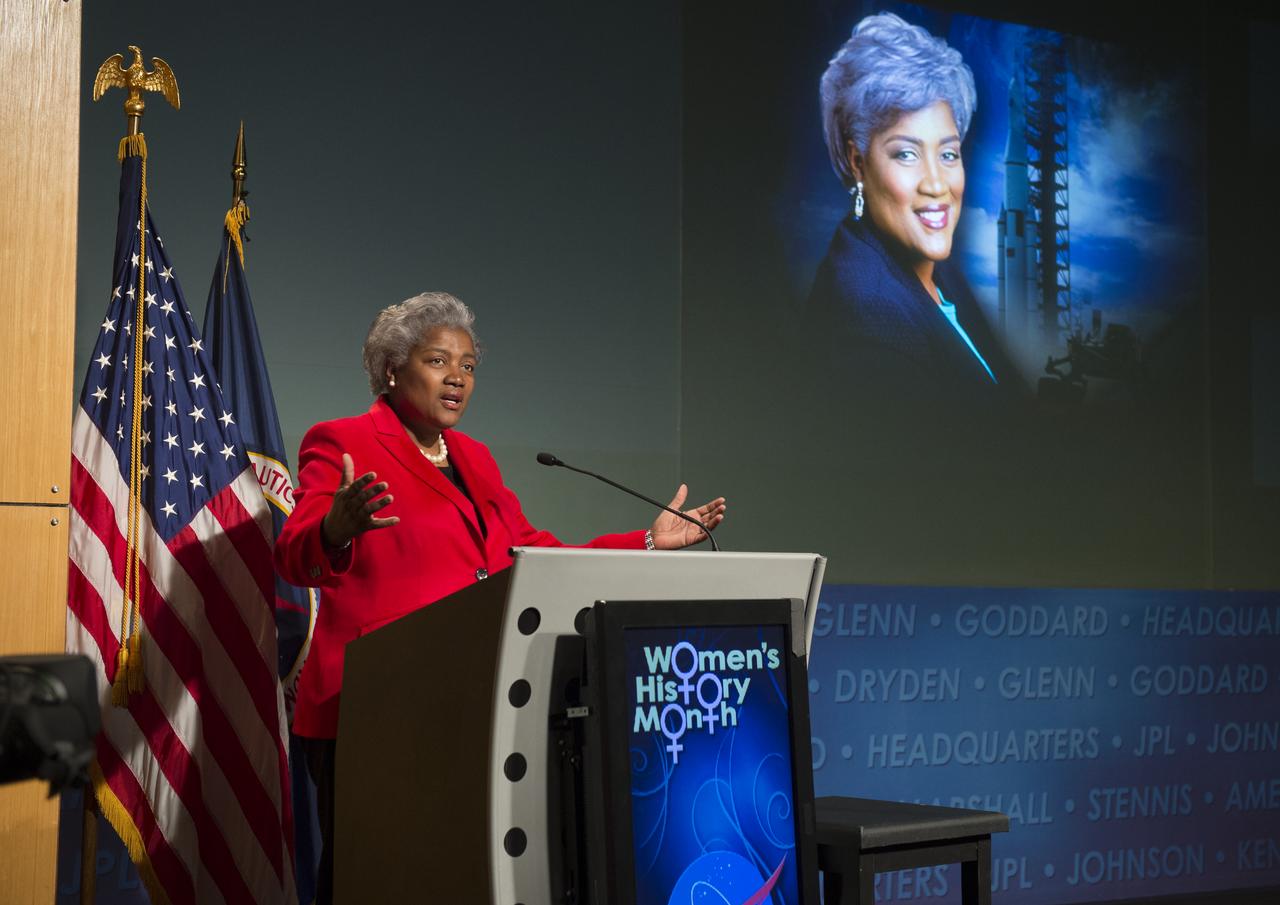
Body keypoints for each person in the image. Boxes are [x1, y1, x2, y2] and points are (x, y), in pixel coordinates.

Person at [274, 291, 725, 904]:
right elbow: (294, 551)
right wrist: (336, 526)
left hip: (462, 702)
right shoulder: (343, 441)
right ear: (391, 369)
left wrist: (647, 540)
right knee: (369, 883)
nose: (458, 378)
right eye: (438, 361)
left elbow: (532, 552)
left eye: (468, 366)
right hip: (369, 710)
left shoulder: (476, 459)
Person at [808, 12, 1011, 395]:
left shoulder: (936, 273)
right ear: (858, 163)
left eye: (948, 154)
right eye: (906, 154)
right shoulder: (865, 327)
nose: (937, 184)